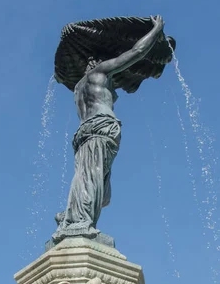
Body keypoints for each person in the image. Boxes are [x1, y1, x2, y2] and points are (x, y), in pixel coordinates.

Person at [52, 15, 166, 242]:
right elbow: (135, 53)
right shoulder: (100, 72)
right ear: (95, 62)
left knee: (96, 185)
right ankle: (79, 222)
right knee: (92, 176)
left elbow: (58, 78)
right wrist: (156, 30)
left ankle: (74, 213)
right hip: (102, 128)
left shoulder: (77, 88)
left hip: (85, 132)